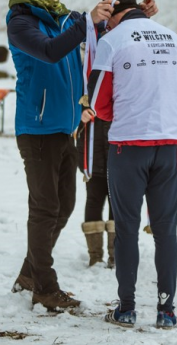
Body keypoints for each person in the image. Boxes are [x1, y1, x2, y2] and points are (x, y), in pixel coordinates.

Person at [5, 0, 116, 312]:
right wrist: (84, 23)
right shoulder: (21, 22)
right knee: (44, 207)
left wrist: (132, 13)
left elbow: (87, 44)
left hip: (68, 128)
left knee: (64, 205)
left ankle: (28, 273)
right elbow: (51, 52)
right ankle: (45, 287)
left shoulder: (63, 18)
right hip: (37, 129)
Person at [86, 0, 177, 329]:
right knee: (166, 231)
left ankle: (126, 307)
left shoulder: (112, 41)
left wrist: (127, 110)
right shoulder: (174, 38)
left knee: (127, 229)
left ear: (113, 12)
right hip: (169, 143)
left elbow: (99, 103)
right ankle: (167, 310)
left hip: (128, 145)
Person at [76, 100, 115, 268]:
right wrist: (80, 115)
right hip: (92, 158)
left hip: (118, 158)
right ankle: (95, 255)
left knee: (118, 205)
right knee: (93, 201)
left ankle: (117, 254)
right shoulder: (86, 83)